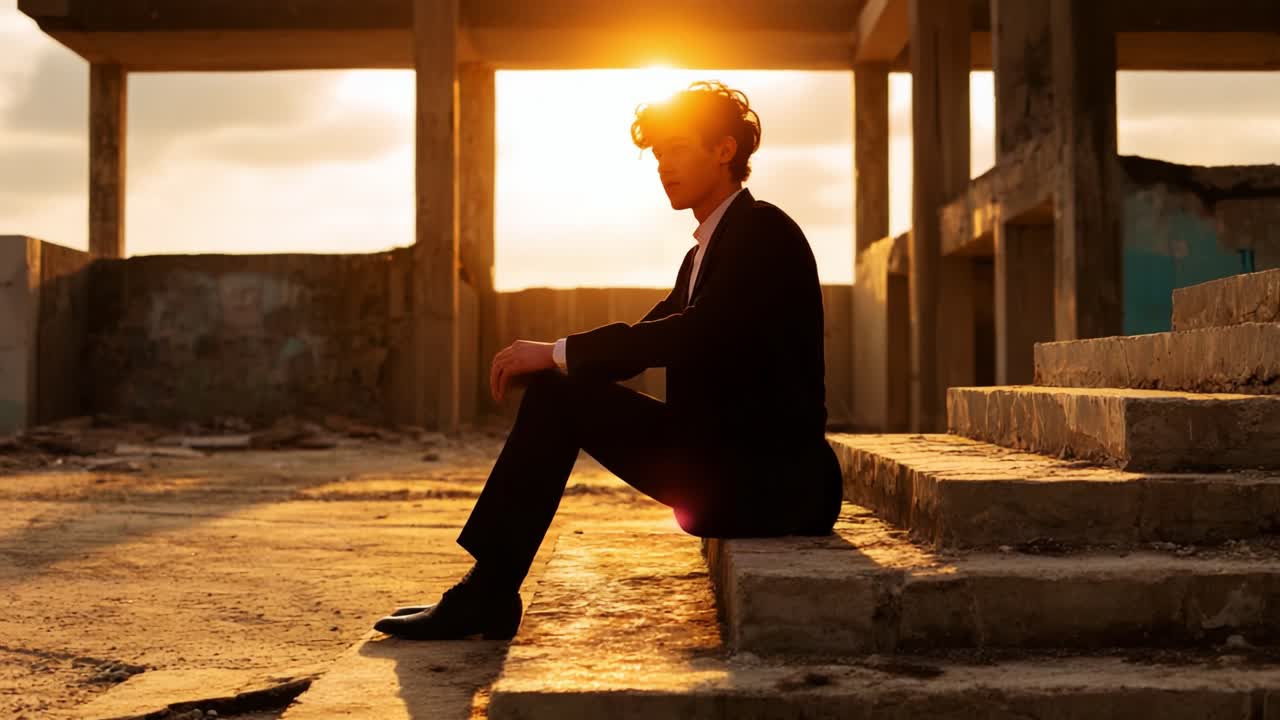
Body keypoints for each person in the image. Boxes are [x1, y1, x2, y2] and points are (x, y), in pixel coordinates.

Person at [373, 80, 842, 641]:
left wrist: (554, 355)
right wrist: (552, 359)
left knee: (559, 396)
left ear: (725, 150)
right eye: (658, 153)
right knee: (557, 390)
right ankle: (490, 590)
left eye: (678, 148)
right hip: (729, 466)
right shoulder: (703, 253)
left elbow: (691, 335)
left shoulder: (763, 231)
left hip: (774, 483)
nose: (664, 165)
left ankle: (488, 594)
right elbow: (640, 344)